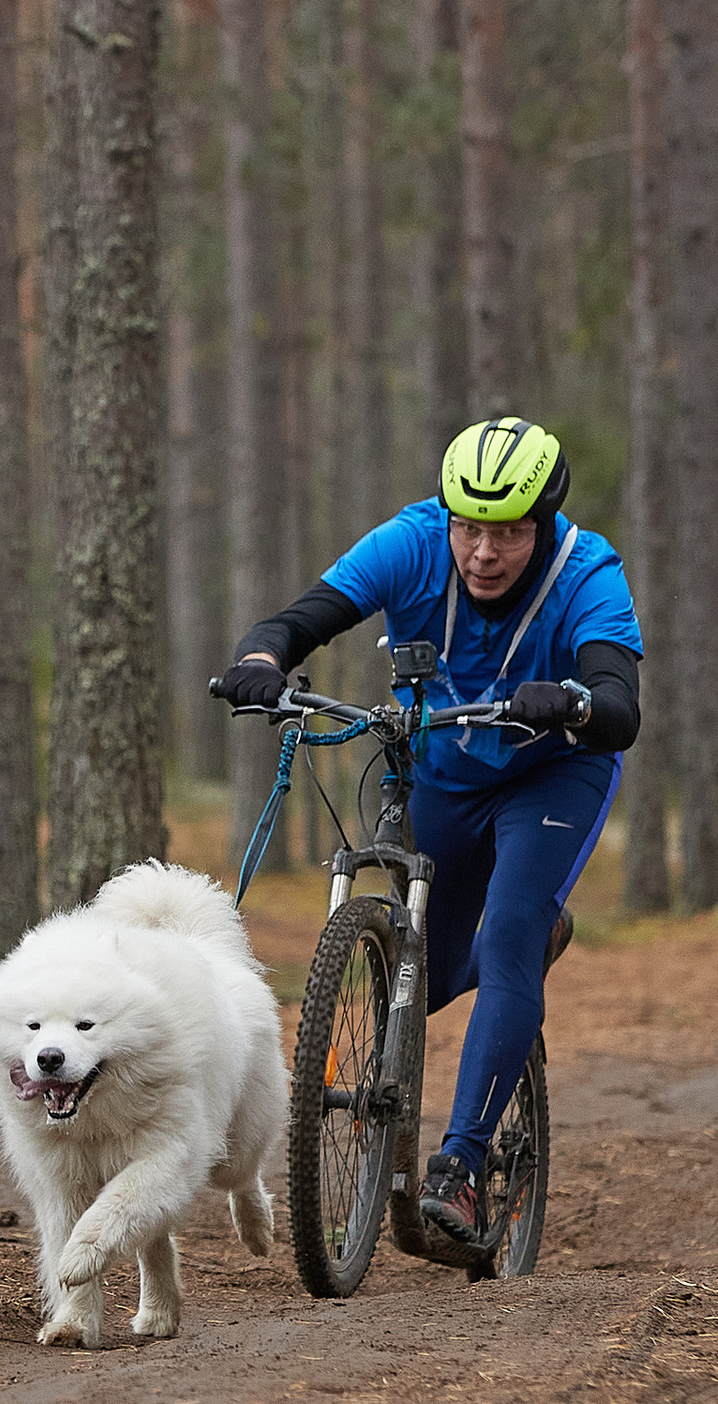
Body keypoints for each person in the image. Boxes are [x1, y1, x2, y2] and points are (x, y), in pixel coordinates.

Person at [214, 415, 642, 1251]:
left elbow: (619, 703)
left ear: (543, 524)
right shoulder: (409, 543)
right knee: (435, 975)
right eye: (469, 527)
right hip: (446, 768)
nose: (483, 551)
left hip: (555, 771)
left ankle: (461, 1166)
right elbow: (297, 621)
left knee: (513, 926)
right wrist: (262, 661)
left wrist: (576, 700)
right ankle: (519, 947)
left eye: (507, 532)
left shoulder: (587, 572)